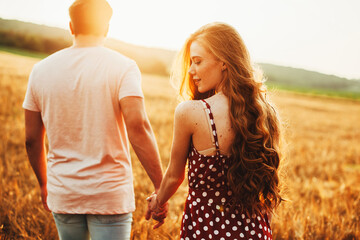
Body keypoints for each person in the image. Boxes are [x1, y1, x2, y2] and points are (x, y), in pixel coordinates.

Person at [23, 0, 165, 239]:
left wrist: (44, 184)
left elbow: (31, 139)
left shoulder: (41, 70)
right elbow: (138, 128)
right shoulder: (124, 67)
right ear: (106, 28)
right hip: (109, 192)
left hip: (64, 191)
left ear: (71, 26)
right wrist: (161, 187)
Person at [146, 22, 282, 240]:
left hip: (208, 228)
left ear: (223, 62)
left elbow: (173, 176)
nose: (191, 71)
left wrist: (158, 200)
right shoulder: (264, 112)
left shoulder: (191, 112)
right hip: (255, 230)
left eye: (198, 62)